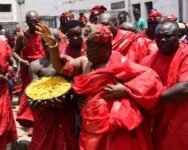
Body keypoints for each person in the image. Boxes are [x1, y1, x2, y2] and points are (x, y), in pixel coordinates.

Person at [35, 23, 163, 150]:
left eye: (92, 47)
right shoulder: (85, 62)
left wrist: (126, 90)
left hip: (115, 129)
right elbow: (61, 68)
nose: (87, 50)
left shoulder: (120, 63)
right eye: (87, 45)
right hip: (90, 126)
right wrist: (53, 45)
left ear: (107, 47)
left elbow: (150, 78)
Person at [140, 20, 188, 150]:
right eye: (158, 37)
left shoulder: (186, 54)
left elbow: (185, 88)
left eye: (168, 36)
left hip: (182, 119)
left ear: (178, 36)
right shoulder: (147, 61)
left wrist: (150, 99)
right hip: (158, 121)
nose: (162, 40)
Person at [28, 47, 78, 150]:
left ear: (58, 42)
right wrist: (34, 102)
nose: (48, 45)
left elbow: (76, 84)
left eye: (51, 41)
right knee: (42, 143)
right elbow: (33, 89)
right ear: (41, 43)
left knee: (66, 143)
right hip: (44, 111)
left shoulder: (69, 62)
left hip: (64, 109)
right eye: (44, 42)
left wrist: (68, 97)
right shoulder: (35, 65)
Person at [13, 10, 46, 130]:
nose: (34, 24)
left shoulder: (45, 32)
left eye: (36, 21)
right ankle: (32, 122)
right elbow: (15, 52)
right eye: (31, 22)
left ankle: (42, 121)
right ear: (27, 22)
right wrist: (21, 61)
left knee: (44, 95)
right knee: (30, 96)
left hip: (44, 68)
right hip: (29, 70)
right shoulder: (22, 36)